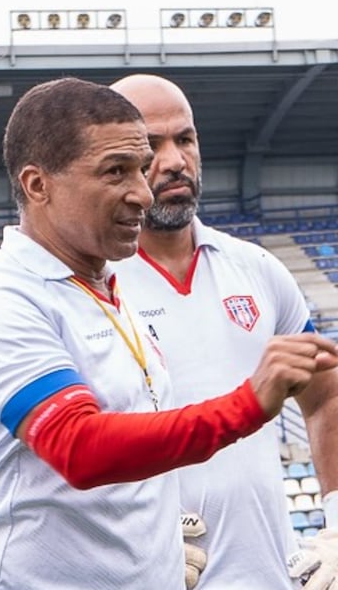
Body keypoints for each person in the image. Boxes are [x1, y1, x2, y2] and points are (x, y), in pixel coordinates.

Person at [0, 75, 338, 589]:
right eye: (125, 165)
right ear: (40, 185)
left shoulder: (122, 280)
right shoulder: (5, 295)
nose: (150, 184)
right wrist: (244, 407)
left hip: (243, 571)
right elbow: (57, 443)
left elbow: (326, 394)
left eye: (185, 139)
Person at [106, 73, 338, 589]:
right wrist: (115, 527)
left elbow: (326, 395)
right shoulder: (87, 284)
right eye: (150, 146)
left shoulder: (257, 268)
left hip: (272, 575)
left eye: (184, 139)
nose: (173, 161)